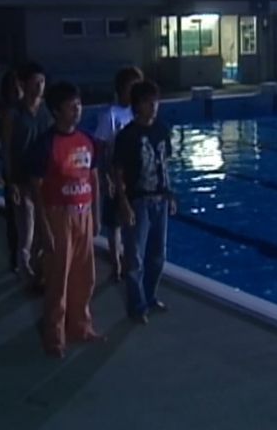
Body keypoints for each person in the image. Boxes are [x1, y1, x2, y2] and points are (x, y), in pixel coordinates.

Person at [28, 81, 103, 357]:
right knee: (57, 278)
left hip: (83, 213)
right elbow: (36, 188)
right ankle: (55, 336)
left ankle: (81, 326)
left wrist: (96, 215)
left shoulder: (87, 141)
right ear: (56, 111)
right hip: (58, 215)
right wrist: (44, 227)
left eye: (78, 105)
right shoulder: (44, 145)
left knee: (85, 275)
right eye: (71, 106)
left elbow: (93, 179)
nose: (77, 110)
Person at [114, 80, 176, 324]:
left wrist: (169, 194)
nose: (154, 107)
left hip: (160, 200)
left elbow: (165, 166)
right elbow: (117, 172)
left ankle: (150, 296)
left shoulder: (162, 130)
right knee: (135, 258)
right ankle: (137, 306)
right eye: (149, 103)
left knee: (158, 256)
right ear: (137, 105)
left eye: (156, 102)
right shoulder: (127, 136)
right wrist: (124, 203)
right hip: (138, 201)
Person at [2, 62, 54, 292]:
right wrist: (10, 180)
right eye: (36, 82)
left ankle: (40, 275)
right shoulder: (13, 113)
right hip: (22, 180)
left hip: (44, 180)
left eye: (42, 81)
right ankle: (27, 277)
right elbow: (7, 148)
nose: (40, 86)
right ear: (25, 84)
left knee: (44, 232)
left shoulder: (47, 111)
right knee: (27, 234)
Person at [94, 66, 144, 281]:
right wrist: (104, 176)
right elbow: (100, 147)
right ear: (122, 88)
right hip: (116, 175)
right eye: (132, 86)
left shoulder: (138, 113)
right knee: (114, 222)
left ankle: (130, 260)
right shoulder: (110, 115)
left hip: (136, 176)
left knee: (134, 220)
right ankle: (115, 262)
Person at [0, 70, 23, 273]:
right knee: (12, 215)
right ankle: (14, 254)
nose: (16, 92)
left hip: (28, 169)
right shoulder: (1, 113)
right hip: (11, 170)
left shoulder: (27, 111)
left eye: (18, 88)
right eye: (12, 89)